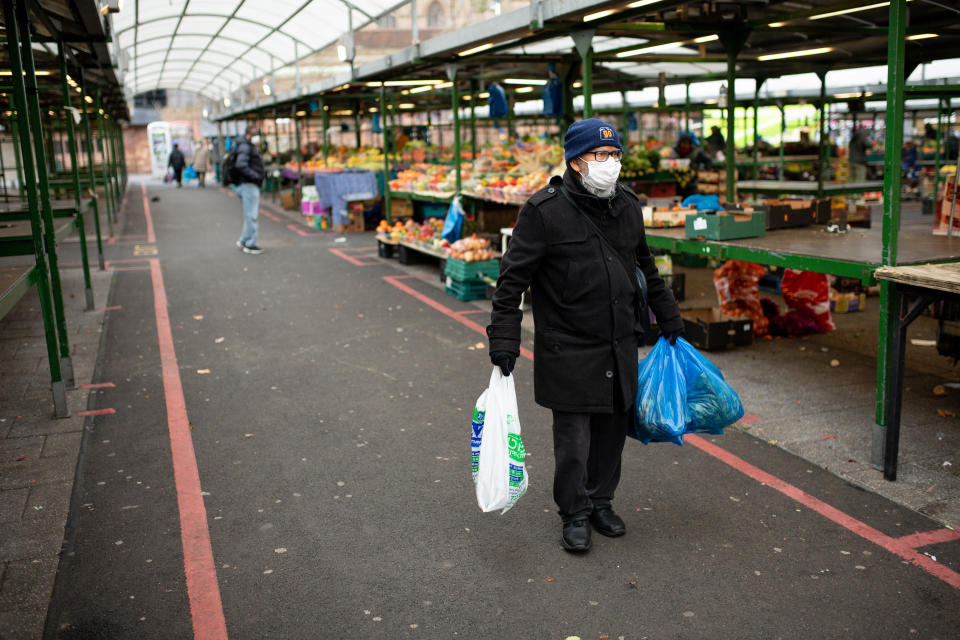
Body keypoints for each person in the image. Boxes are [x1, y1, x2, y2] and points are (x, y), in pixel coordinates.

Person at [487, 118, 683, 553]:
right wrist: (504, 339)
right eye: (601, 156)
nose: (610, 164)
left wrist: (668, 315)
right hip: (569, 348)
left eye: (615, 156)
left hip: (620, 343)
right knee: (574, 442)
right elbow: (511, 279)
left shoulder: (628, 206)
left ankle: (600, 502)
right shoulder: (544, 212)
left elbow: (645, 266)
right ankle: (573, 511)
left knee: (612, 435)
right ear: (577, 162)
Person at [233, 125, 266, 254]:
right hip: (248, 185)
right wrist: (256, 176)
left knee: (249, 215)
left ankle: (244, 240)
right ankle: (251, 244)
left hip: (244, 184)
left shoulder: (242, 145)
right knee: (252, 215)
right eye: (255, 132)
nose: (257, 135)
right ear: (249, 133)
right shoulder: (246, 146)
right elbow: (241, 164)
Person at [671, 132, 713, 198]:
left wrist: (704, 171)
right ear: (680, 143)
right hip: (677, 184)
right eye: (683, 142)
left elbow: (708, 161)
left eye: (687, 143)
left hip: (692, 184)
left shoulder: (696, 152)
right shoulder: (675, 151)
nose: (685, 145)